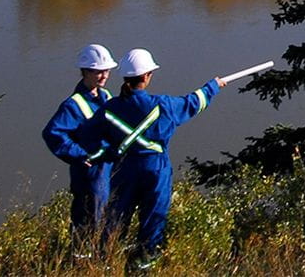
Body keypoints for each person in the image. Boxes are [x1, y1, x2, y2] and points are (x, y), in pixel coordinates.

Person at [76, 48, 227, 269]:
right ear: (147, 76)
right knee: (154, 217)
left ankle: (107, 262)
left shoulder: (110, 109)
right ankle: (144, 263)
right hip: (156, 170)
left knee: (116, 217)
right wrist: (213, 86)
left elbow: (86, 136)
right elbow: (193, 103)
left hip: (124, 168)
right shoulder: (163, 105)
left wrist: (107, 153)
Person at [42, 44, 117, 250]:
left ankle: (104, 259)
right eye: (98, 71)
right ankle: (82, 260)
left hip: (108, 170)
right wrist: (80, 155)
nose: (104, 75)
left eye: (107, 70)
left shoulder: (107, 97)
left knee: (107, 222)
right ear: (85, 71)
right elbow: (53, 133)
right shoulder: (73, 105)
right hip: (89, 176)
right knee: (88, 223)